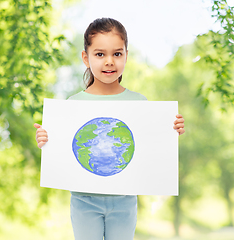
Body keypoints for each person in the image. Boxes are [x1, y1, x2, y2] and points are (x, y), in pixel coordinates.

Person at [34, 18, 185, 240]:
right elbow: (62, 149)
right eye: (99, 54)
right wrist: (46, 139)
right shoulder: (72, 104)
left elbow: (150, 145)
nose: (109, 62)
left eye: (117, 54)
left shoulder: (139, 102)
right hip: (83, 199)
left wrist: (171, 131)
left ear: (126, 56)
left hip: (124, 200)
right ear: (85, 58)